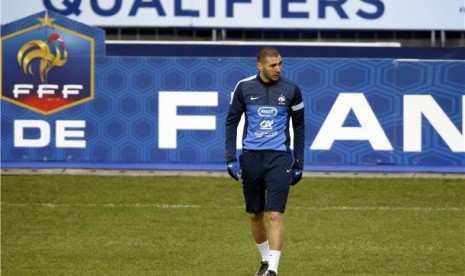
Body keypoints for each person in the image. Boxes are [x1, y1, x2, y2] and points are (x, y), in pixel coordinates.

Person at [224, 46, 305, 276]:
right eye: (273, 65)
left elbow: (299, 126)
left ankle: (273, 270)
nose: (278, 68)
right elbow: (231, 122)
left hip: (280, 158)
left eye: (280, 64)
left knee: (275, 214)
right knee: (254, 214)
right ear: (260, 65)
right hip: (251, 158)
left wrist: (299, 162)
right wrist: (230, 158)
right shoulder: (244, 87)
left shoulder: (292, 90)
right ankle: (264, 261)